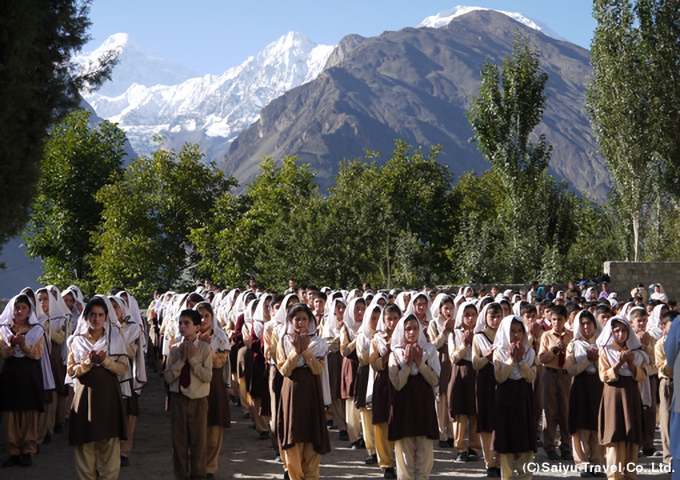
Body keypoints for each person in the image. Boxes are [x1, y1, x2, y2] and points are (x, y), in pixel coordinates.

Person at [67, 296, 129, 480]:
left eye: (100, 315)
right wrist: (88, 363)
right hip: (84, 397)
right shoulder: (76, 341)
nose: (96, 319)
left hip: (108, 398)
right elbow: (71, 371)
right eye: (92, 314)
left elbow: (123, 368)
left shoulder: (115, 338)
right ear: (86, 317)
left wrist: (105, 361)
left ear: (105, 317)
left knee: (109, 443)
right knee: (85, 445)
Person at [276, 303, 331, 480]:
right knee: (293, 438)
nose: (300, 323)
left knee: (312, 439)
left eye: (304, 319)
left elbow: (316, 369)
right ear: (291, 321)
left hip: (311, 396)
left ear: (310, 321)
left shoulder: (319, 344)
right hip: (291, 396)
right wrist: (294, 351)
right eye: (297, 319)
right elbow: (284, 370)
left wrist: (305, 350)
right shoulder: (283, 342)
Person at [0, 294, 50, 468]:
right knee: (11, 414)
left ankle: (28, 450)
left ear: (29, 311)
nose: (19, 311)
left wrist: (24, 344)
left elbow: (37, 353)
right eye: (17, 308)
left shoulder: (37, 330)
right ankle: (13, 452)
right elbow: (3, 354)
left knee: (29, 412)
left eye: (23, 308)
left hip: (29, 375)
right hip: (10, 375)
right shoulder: (4, 329)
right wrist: (12, 345)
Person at [388, 313, 440, 480]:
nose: (412, 332)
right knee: (405, 457)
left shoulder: (429, 351)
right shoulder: (395, 354)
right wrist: (409, 364)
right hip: (403, 408)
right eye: (408, 329)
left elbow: (435, 380)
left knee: (424, 457)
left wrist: (420, 364)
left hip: (424, 407)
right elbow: (397, 383)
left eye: (415, 328)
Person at [597, 316, 648, 480]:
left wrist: (631, 364)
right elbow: (604, 376)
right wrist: (618, 364)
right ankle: (614, 476)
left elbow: (641, 376)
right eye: (617, 330)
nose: (620, 334)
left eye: (624, 330)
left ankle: (630, 474)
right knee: (615, 435)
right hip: (613, 396)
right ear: (611, 332)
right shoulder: (605, 351)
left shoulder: (637, 353)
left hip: (631, 396)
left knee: (631, 435)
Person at [165, 309, 213, 480]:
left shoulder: (205, 349)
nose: (182, 326)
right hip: (178, 399)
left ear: (197, 327)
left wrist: (192, 360)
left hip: (198, 400)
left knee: (199, 443)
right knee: (178, 444)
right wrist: (182, 360)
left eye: (187, 323)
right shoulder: (175, 349)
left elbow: (208, 376)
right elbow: (169, 377)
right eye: (180, 323)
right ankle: (180, 476)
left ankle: (199, 475)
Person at [493, 315, 537, 480]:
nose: (516, 335)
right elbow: (500, 377)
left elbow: (531, 377)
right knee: (507, 441)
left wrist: (521, 361)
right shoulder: (498, 352)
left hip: (524, 399)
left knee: (525, 440)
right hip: (505, 400)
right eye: (512, 331)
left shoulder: (530, 352)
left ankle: (526, 475)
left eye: (520, 331)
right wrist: (512, 359)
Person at [566, 310, 605, 477]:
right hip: (580, 387)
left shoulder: (603, 344)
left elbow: (606, 368)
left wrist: (596, 361)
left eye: (589, 323)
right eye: (582, 323)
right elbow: (571, 369)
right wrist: (588, 360)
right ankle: (582, 463)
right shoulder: (573, 345)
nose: (586, 326)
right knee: (581, 424)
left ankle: (596, 461)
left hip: (598, 387)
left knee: (597, 424)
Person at [196, 301, 231, 479]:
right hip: (193, 383)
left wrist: (206, 348)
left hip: (213, 383)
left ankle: (210, 466)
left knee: (214, 426)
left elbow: (219, 362)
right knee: (195, 425)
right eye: (200, 316)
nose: (203, 320)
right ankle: (195, 464)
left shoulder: (219, 337)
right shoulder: (187, 334)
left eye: (206, 316)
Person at [538, 304, 573, 461]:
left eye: (559, 319)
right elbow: (541, 359)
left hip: (565, 375)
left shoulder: (571, 336)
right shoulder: (546, 336)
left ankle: (566, 445)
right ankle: (549, 446)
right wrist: (553, 351)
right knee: (550, 411)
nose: (556, 323)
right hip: (550, 374)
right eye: (553, 320)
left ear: (566, 319)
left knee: (565, 411)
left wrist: (566, 351)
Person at [369, 303, 400, 479]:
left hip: (401, 381)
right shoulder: (377, 339)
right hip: (382, 381)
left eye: (396, 318)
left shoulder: (406, 336)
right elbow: (373, 363)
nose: (393, 322)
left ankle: (401, 460)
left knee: (399, 419)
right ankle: (386, 463)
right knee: (382, 422)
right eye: (389, 318)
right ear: (384, 320)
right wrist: (387, 354)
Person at [448, 300, 482, 462]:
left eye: (473, 315)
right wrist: (464, 343)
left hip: (476, 372)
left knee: (475, 411)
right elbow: (453, 357)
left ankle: (475, 447)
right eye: (466, 315)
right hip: (460, 373)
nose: (470, 318)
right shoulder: (454, 333)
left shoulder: (481, 333)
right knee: (460, 411)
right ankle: (460, 447)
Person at [472, 302, 503, 477]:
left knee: (501, 420)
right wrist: (487, 357)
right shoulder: (479, 337)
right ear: (485, 317)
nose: (496, 320)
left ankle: (500, 460)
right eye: (492, 316)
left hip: (503, 380)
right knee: (486, 421)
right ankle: (489, 462)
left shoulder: (506, 335)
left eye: (499, 316)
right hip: (485, 380)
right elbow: (475, 363)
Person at [427, 293, 455, 449]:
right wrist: (444, 331)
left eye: (451, 308)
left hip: (452, 363)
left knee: (452, 398)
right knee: (441, 398)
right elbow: (434, 345)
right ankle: (442, 434)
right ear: (440, 309)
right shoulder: (434, 324)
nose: (449, 311)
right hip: (439, 362)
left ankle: (452, 434)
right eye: (446, 308)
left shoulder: (456, 324)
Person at [356, 304, 382, 464]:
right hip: (366, 375)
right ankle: (371, 450)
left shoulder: (387, 335)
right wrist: (375, 347)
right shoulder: (362, 336)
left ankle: (383, 450)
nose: (376, 321)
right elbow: (363, 358)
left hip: (380, 375)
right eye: (373, 318)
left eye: (379, 318)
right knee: (366, 415)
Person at [340, 297, 367, 448]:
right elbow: (344, 350)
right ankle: (354, 437)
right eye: (357, 309)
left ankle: (364, 435)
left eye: (362, 309)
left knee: (362, 398)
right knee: (351, 400)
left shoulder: (367, 325)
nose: (360, 312)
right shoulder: (345, 328)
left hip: (363, 364)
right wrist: (356, 340)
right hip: (351, 364)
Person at [654, 311, 674, 465]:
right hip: (667, 382)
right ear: (664, 327)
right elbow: (661, 368)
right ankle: (668, 457)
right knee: (666, 419)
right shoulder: (660, 344)